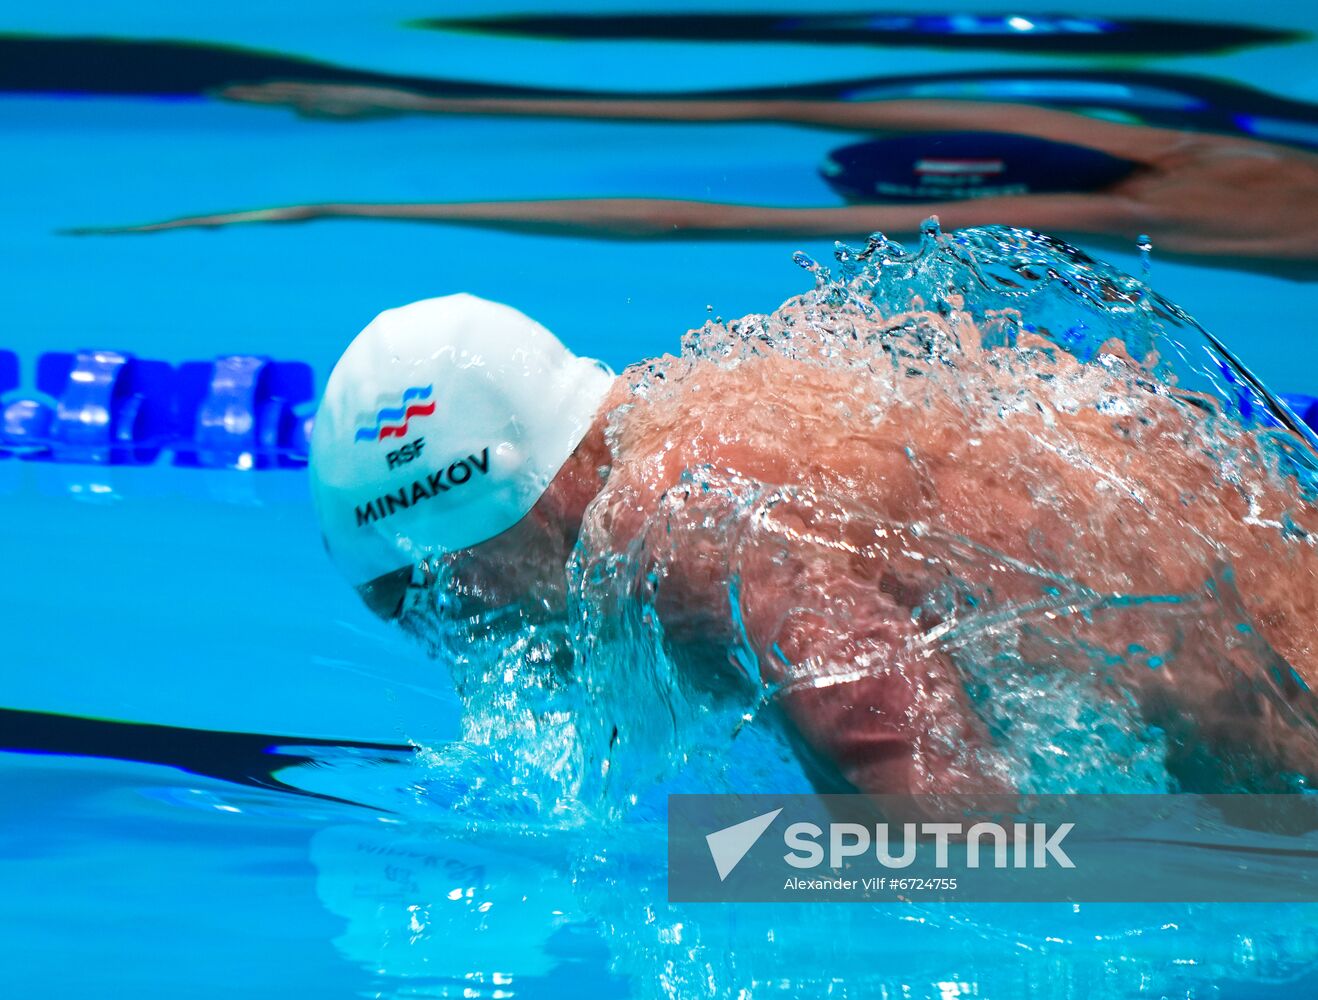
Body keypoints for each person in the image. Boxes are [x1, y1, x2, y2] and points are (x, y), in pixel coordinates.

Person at [310, 292, 1318, 797]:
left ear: (473, 533)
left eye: (423, 600)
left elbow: (956, 836)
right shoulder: (700, 422)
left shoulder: (682, 531)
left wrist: (749, 873)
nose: (457, 638)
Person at [84, 93, 1318, 268]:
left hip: (1232, 168)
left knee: (774, 137)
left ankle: (390, 128)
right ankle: (355, 182)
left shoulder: (1216, 164)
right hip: (1206, 192)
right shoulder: (1186, 196)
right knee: (742, 214)